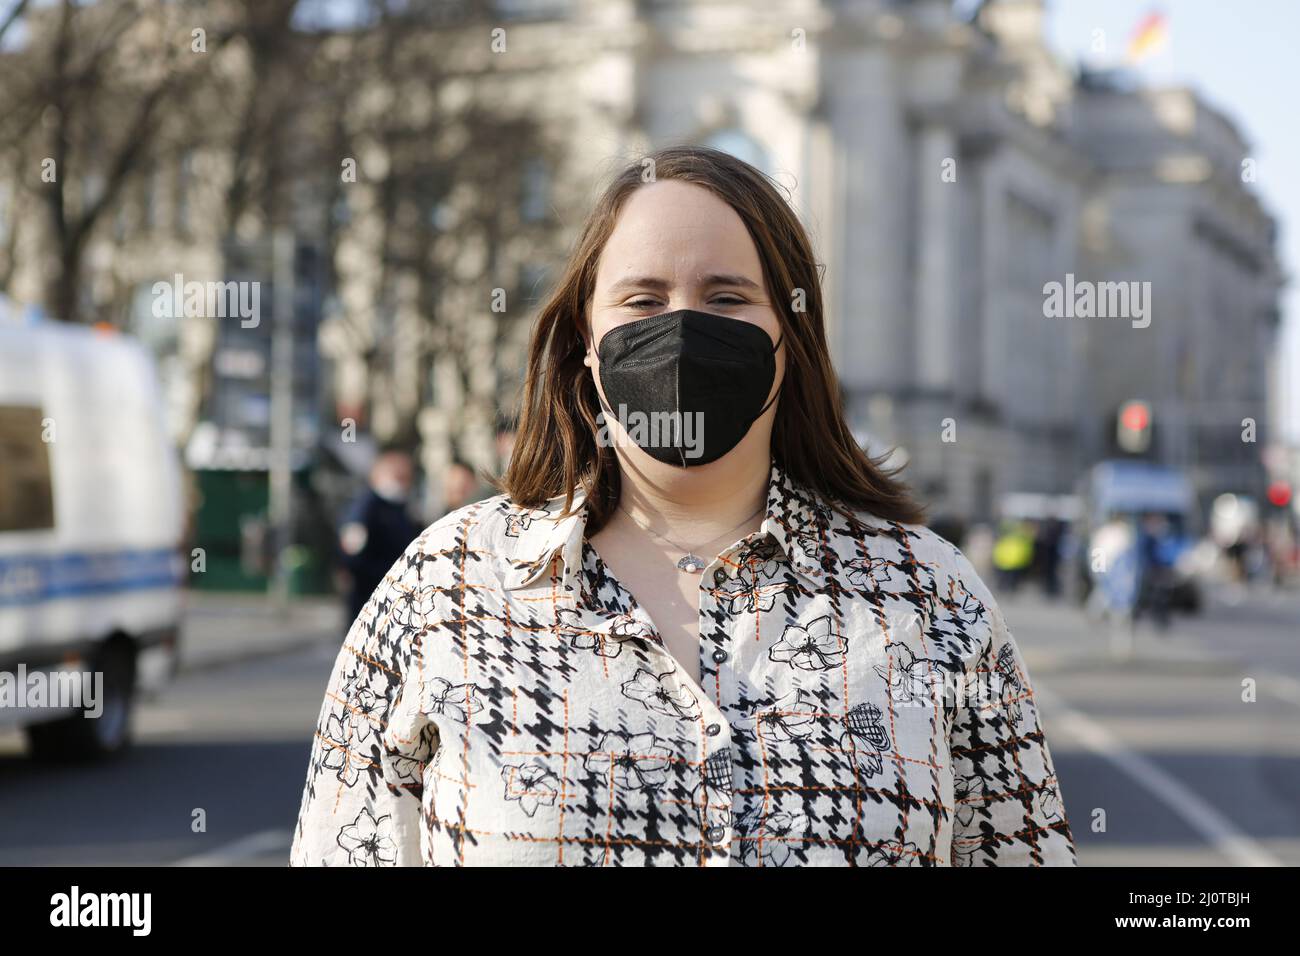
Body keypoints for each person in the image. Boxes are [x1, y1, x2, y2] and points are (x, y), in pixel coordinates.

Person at [290, 145, 1076, 867]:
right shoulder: (446, 586)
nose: (681, 329)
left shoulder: (931, 598)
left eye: (727, 297)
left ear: (788, 336)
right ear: (586, 345)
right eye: (641, 300)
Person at [336, 447, 421, 625]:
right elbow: (352, 553)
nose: (404, 483)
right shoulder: (366, 508)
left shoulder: (400, 507)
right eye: (399, 476)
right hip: (368, 599)